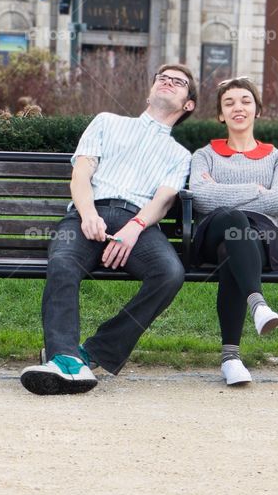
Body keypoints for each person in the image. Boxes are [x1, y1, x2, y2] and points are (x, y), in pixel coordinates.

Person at [20, 64, 197, 395]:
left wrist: (135, 227)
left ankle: (92, 354)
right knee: (63, 262)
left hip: (138, 223)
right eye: (162, 78)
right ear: (150, 90)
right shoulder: (106, 122)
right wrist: (87, 213)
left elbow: (164, 199)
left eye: (179, 82)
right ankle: (63, 358)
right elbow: (81, 174)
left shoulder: (180, 155)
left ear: (188, 104)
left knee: (170, 273)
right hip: (90, 213)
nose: (168, 82)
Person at [189, 76, 278, 387]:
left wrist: (221, 190)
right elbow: (200, 195)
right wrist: (255, 189)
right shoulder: (205, 155)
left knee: (234, 246)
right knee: (233, 219)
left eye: (245, 101)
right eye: (229, 103)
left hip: (260, 240)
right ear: (220, 115)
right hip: (212, 231)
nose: (238, 107)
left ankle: (231, 359)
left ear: (257, 111)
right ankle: (258, 305)